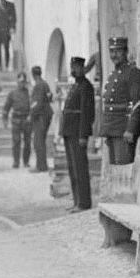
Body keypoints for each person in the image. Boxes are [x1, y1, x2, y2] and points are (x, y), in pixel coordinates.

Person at [99, 35, 140, 167]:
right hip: (112, 130)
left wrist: (131, 129)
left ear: (125, 52)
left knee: (124, 170)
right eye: (112, 51)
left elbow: (137, 103)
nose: (114, 55)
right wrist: (105, 130)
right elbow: (108, 104)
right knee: (115, 172)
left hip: (124, 130)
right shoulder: (113, 75)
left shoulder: (133, 72)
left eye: (118, 51)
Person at [60, 56, 96, 211]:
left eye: (76, 67)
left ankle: (83, 203)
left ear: (83, 68)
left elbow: (87, 113)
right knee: (72, 168)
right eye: (72, 67)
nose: (73, 70)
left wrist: (83, 135)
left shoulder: (86, 87)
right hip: (69, 131)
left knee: (80, 168)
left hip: (77, 132)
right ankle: (76, 201)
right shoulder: (75, 86)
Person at [27, 65, 54, 173]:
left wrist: (31, 116)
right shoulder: (45, 84)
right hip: (47, 114)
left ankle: (41, 166)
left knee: (38, 141)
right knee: (41, 140)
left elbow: (36, 104)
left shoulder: (38, 86)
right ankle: (42, 165)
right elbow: (50, 97)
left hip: (41, 116)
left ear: (33, 75)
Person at [4, 73, 33, 168]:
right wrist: (5, 120)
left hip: (26, 119)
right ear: (17, 82)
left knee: (27, 142)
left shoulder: (29, 93)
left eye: (24, 82)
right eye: (20, 82)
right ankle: (16, 161)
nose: (22, 84)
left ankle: (26, 161)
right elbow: (6, 107)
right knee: (16, 141)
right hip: (16, 119)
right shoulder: (12, 93)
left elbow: (33, 106)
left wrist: (31, 116)